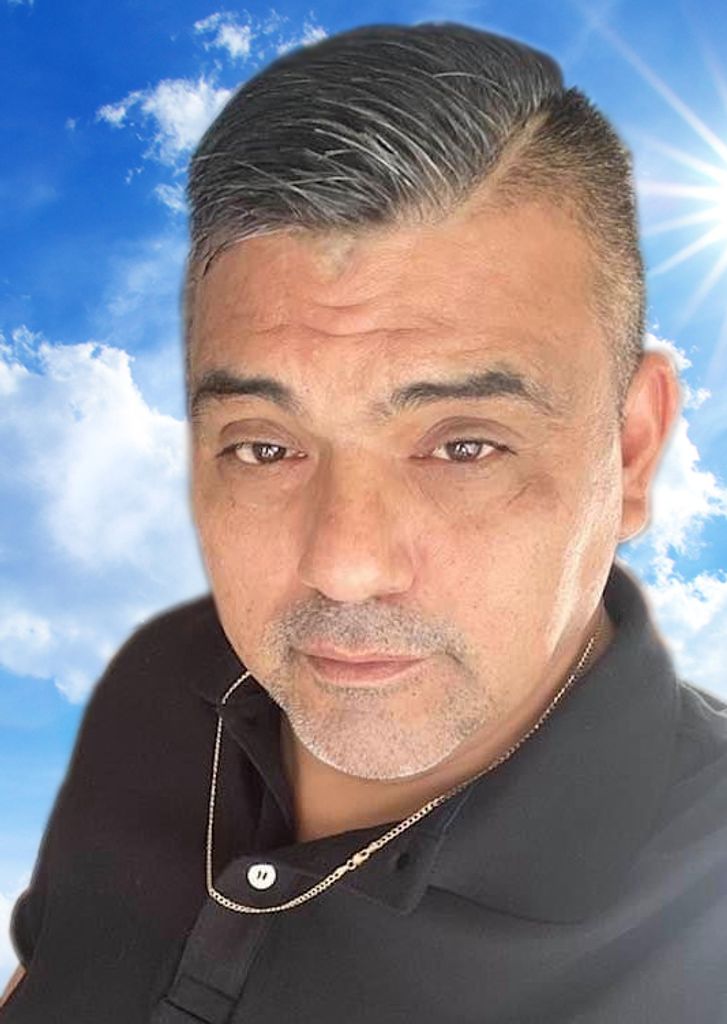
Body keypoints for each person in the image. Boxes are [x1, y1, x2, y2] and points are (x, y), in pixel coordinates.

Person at [2, 19, 725, 1024]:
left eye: (463, 446)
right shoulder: (169, 679)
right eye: (265, 447)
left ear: (632, 449)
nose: (343, 565)